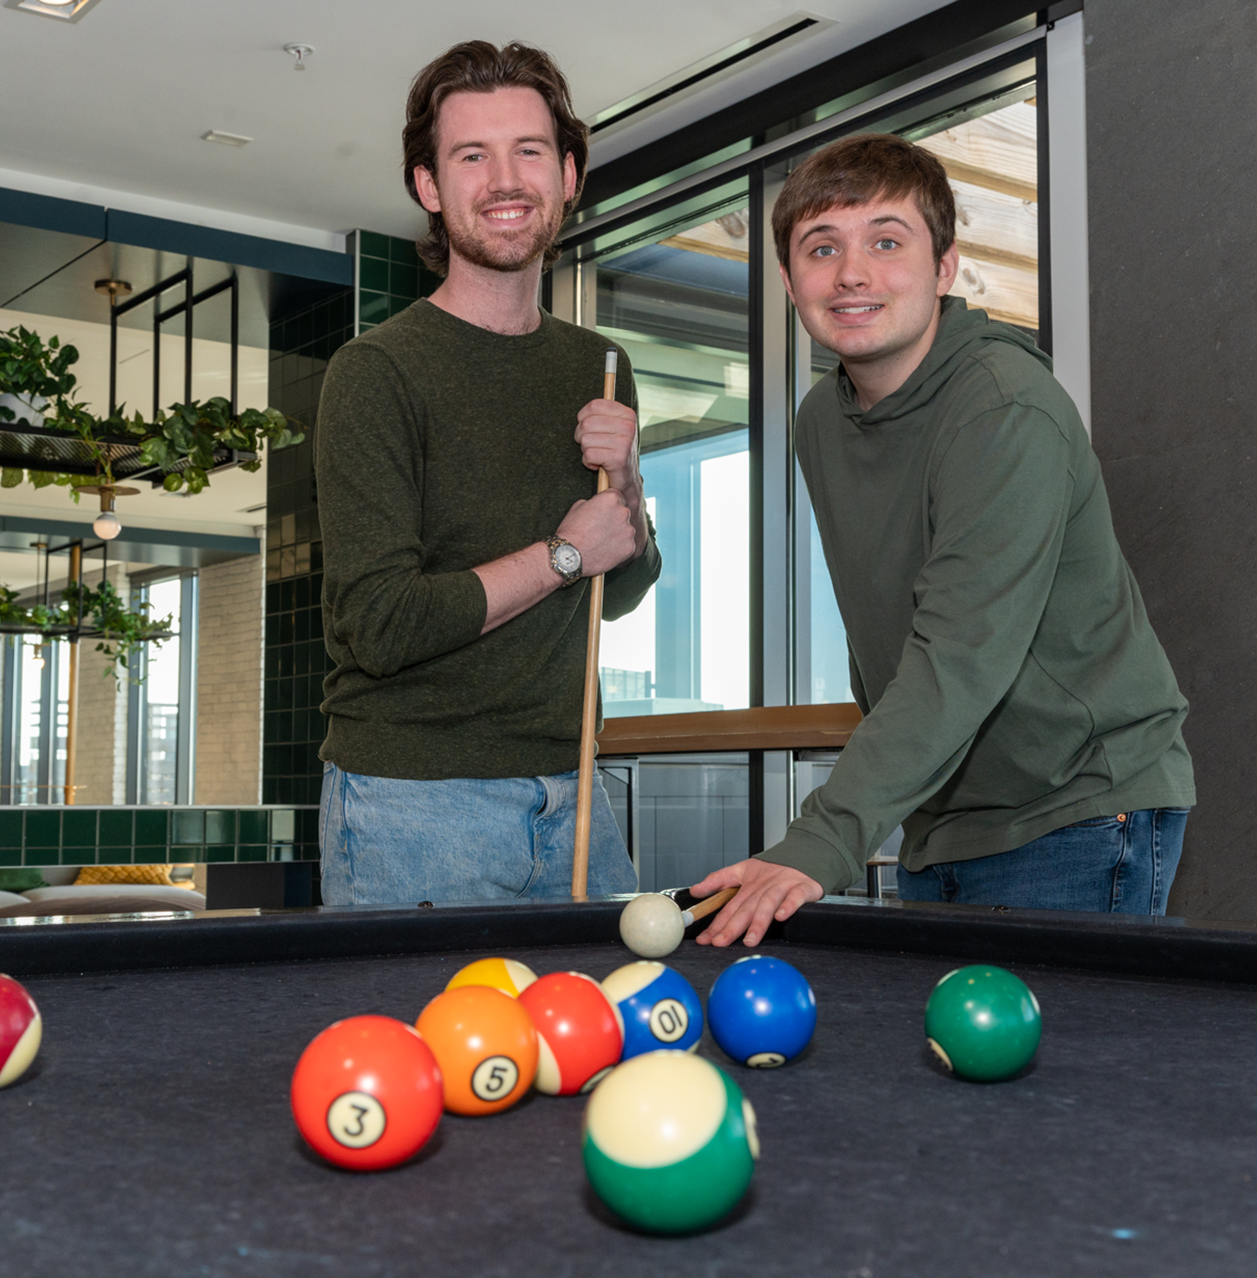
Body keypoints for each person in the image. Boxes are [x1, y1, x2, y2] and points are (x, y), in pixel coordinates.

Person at [694, 133, 1195, 946]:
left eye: (886, 242)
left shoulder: (1005, 406)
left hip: (1080, 808)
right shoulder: (820, 420)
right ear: (789, 282)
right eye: (823, 249)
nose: (852, 273)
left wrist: (822, 839)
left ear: (946, 267)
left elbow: (960, 652)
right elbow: (882, 625)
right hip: (939, 820)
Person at [312, 41, 660, 904]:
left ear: (569, 175)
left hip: (578, 798)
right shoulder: (377, 371)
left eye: (529, 151)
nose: (505, 179)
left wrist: (630, 491)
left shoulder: (602, 362)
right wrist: (562, 554)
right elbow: (379, 624)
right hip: (414, 808)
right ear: (431, 188)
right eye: (473, 155)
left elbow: (615, 588)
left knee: (607, 1043)